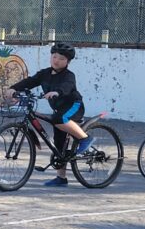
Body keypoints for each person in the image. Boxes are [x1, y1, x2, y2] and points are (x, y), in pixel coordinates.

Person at [6, 42, 93, 187]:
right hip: (59, 110)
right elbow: (30, 81)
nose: (56, 60)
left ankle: (85, 138)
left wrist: (57, 92)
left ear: (68, 62)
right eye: (54, 56)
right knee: (59, 144)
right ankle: (61, 178)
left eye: (61, 58)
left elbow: (66, 87)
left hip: (73, 106)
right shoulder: (44, 73)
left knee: (59, 119)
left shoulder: (69, 76)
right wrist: (13, 88)